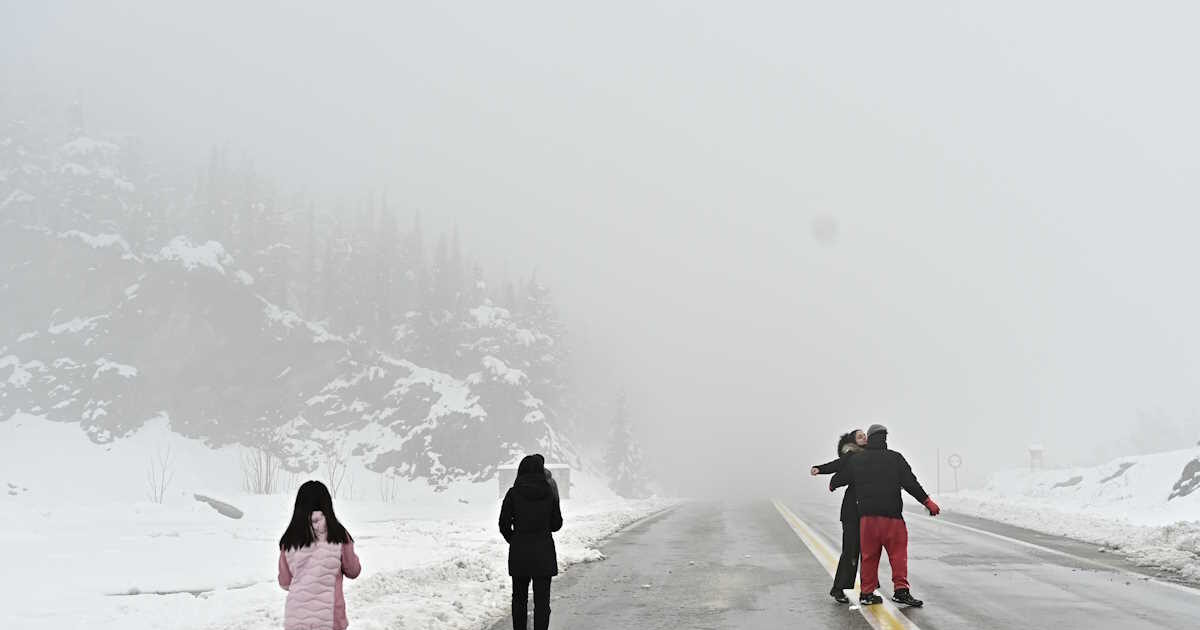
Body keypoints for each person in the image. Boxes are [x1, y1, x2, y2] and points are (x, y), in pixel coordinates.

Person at [832, 424, 940, 607]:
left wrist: (833, 483)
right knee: (898, 556)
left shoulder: (857, 460)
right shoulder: (895, 458)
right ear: (885, 438)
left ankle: (866, 594)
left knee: (869, 557)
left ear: (870, 438)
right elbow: (910, 483)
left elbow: (838, 479)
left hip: (867, 520)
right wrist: (927, 502)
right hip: (893, 518)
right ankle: (901, 591)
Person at [277, 480, 363, 630]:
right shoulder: (339, 535)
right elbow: (353, 571)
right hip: (330, 620)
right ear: (327, 504)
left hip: (297, 619)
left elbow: (285, 582)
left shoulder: (289, 539)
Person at [499, 454, 564, 630]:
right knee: (542, 602)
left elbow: (503, 524)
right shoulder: (549, 492)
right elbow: (556, 525)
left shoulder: (513, 493)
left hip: (520, 553)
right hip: (543, 553)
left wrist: (515, 540)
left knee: (519, 599)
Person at [810, 429, 868, 603]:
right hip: (852, 511)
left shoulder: (872, 455)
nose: (864, 437)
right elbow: (835, 465)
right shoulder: (851, 456)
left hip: (867, 511)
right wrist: (819, 469)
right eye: (860, 436)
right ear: (853, 442)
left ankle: (868, 590)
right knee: (850, 551)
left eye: (865, 435)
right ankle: (838, 588)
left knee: (868, 552)